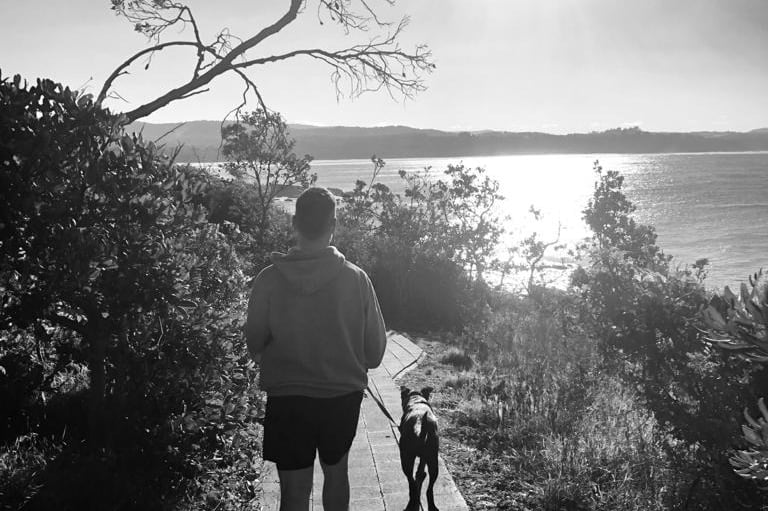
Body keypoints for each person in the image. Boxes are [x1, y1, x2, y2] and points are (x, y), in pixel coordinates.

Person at [245, 187, 387, 511]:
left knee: (294, 494)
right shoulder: (358, 280)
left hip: (287, 400)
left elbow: (254, 343)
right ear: (333, 224)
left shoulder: (268, 280)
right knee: (336, 476)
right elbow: (376, 354)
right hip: (341, 399)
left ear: (294, 223)